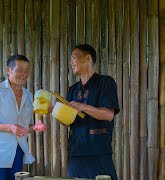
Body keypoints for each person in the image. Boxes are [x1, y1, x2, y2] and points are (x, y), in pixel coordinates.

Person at [0, 54, 47, 180]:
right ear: (8, 70)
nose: (24, 74)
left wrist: (35, 127)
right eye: (20, 70)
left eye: (27, 70)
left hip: (18, 151)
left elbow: (25, 127)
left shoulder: (28, 95)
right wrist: (9, 127)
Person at [66, 44, 120, 179]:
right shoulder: (72, 90)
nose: (71, 62)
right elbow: (67, 122)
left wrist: (82, 107)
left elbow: (108, 115)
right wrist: (54, 110)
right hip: (76, 152)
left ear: (88, 58)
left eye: (74, 58)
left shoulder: (106, 82)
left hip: (99, 151)